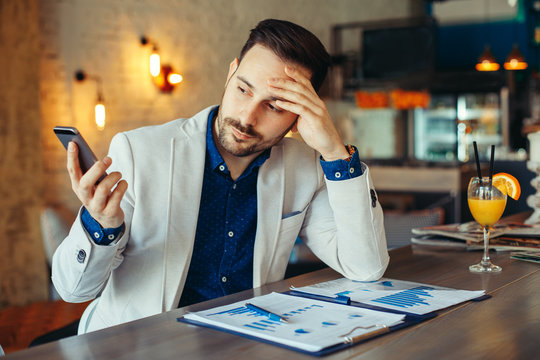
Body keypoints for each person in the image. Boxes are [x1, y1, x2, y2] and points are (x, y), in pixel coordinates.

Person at [52, 18, 389, 334]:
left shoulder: (306, 167)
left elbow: (366, 267)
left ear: (302, 113)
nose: (247, 116)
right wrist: (101, 227)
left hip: (247, 342)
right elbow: (74, 290)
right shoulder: (138, 151)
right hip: (142, 344)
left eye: (274, 106)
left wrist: (334, 152)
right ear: (231, 73)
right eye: (243, 89)